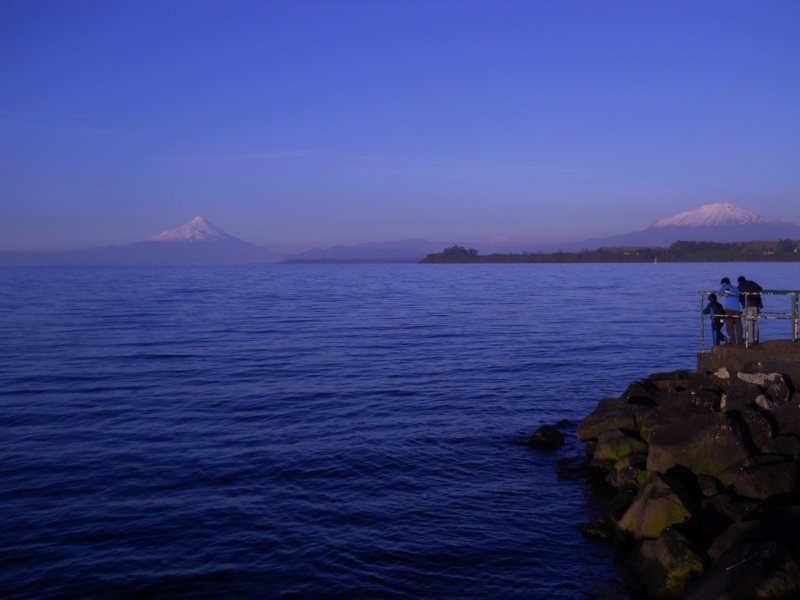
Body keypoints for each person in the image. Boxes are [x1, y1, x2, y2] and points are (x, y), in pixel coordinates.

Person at [737, 276, 763, 345]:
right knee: (755, 322)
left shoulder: (740, 286)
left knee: (749, 322)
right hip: (755, 304)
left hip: (747, 305)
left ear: (739, 282)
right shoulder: (753, 283)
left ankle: (750, 340)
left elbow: (738, 295)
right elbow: (760, 289)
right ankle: (756, 339)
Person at [719, 277, 743, 344]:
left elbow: (720, 293)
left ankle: (732, 340)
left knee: (729, 325)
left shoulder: (726, 286)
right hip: (737, 309)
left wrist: (723, 292)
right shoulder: (736, 288)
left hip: (729, 308)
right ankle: (740, 340)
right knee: (738, 325)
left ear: (724, 283)